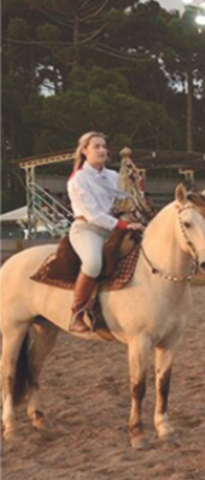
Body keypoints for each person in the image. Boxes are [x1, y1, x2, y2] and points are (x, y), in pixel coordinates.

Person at [66, 131, 143, 333]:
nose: (102, 150)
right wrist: (123, 225)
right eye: (96, 146)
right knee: (93, 263)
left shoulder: (113, 176)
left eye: (104, 146)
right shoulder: (78, 179)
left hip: (114, 227)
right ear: (85, 151)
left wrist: (137, 183)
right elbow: (93, 215)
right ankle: (77, 313)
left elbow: (128, 198)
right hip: (88, 229)